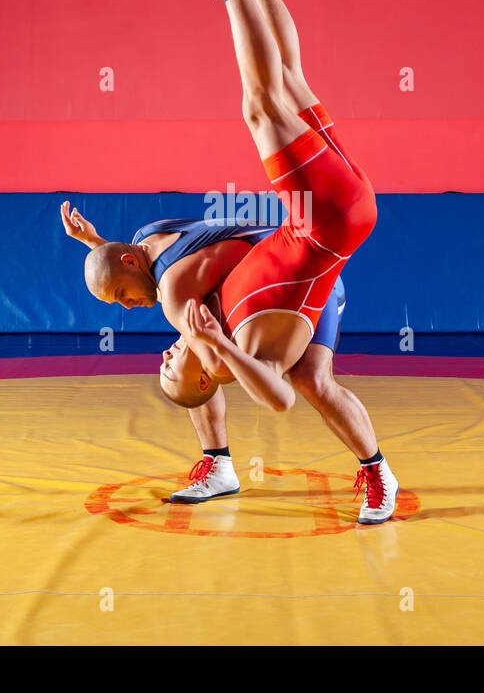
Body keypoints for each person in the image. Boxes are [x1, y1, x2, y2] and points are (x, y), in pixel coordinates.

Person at [157, 0, 397, 522]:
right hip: (329, 222)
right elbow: (282, 400)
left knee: (287, 82)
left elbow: (149, 272)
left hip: (325, 220)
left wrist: (98, 243)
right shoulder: (244, 347)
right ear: (206, 378)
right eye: (173, 372)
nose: (163, 359)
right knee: (259, 108)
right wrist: (216, 348)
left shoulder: (207, 312)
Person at [61, 203, 389, 522]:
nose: (128, 306)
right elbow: (129, 264)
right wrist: (94, 243)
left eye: (120, 294)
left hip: (307, 280)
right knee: (191, 355)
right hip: (285, 276)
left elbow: (216, 369)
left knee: (310, 380)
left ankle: (378, 473)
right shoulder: (148, 235)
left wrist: (204, 367)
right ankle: (218, 464)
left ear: (130, 261)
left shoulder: (175, 290)